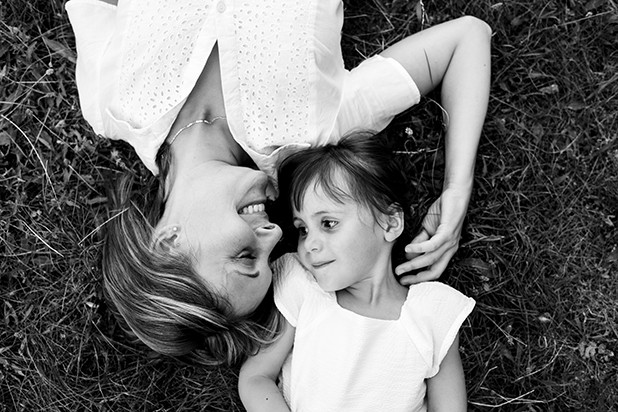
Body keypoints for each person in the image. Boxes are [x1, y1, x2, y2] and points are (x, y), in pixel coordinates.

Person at [66, 0, 490, 366]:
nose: (274, 235)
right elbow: (466, 40)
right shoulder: (314, 131)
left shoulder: (109, 104)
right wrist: (456, 190)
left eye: (245, 254)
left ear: (167, 241)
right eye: (268, 260)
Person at [238, 134, 476, 412]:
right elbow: (256, 377)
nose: (310, 244)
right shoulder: (303, 289)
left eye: (328, 223)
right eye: (302, 229)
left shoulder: (432, 313)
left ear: (389, 223)